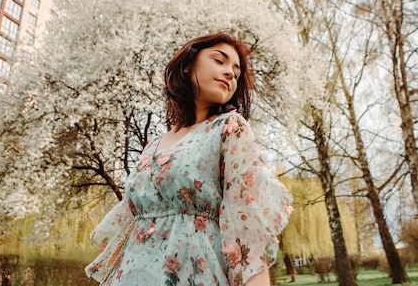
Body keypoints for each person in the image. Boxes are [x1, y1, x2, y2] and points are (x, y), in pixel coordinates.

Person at [85, 32, 293, 286]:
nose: (230, 73)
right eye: (219, 60)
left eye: (236, 72)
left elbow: (246, 228)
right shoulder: (152, 146)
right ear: (187, 65)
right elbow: (130, 227)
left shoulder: (228, 128)